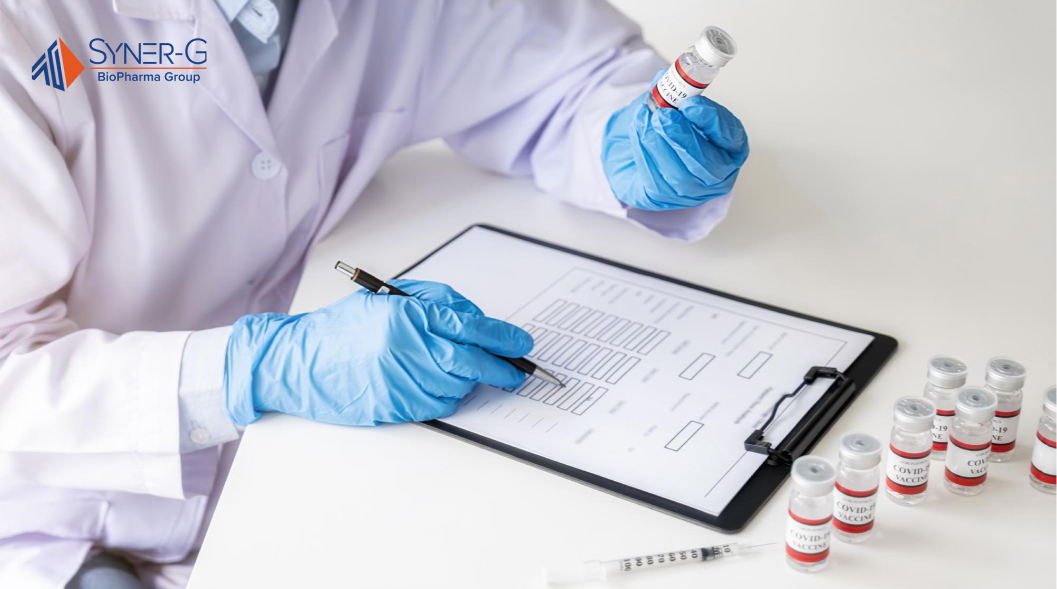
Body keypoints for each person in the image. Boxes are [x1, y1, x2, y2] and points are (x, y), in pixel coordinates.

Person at [0, 0, 748, 586]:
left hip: (308, 474)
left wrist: (621, 139)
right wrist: (251, 368)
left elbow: (566, 71)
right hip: (44, 506)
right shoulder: (23, 29)